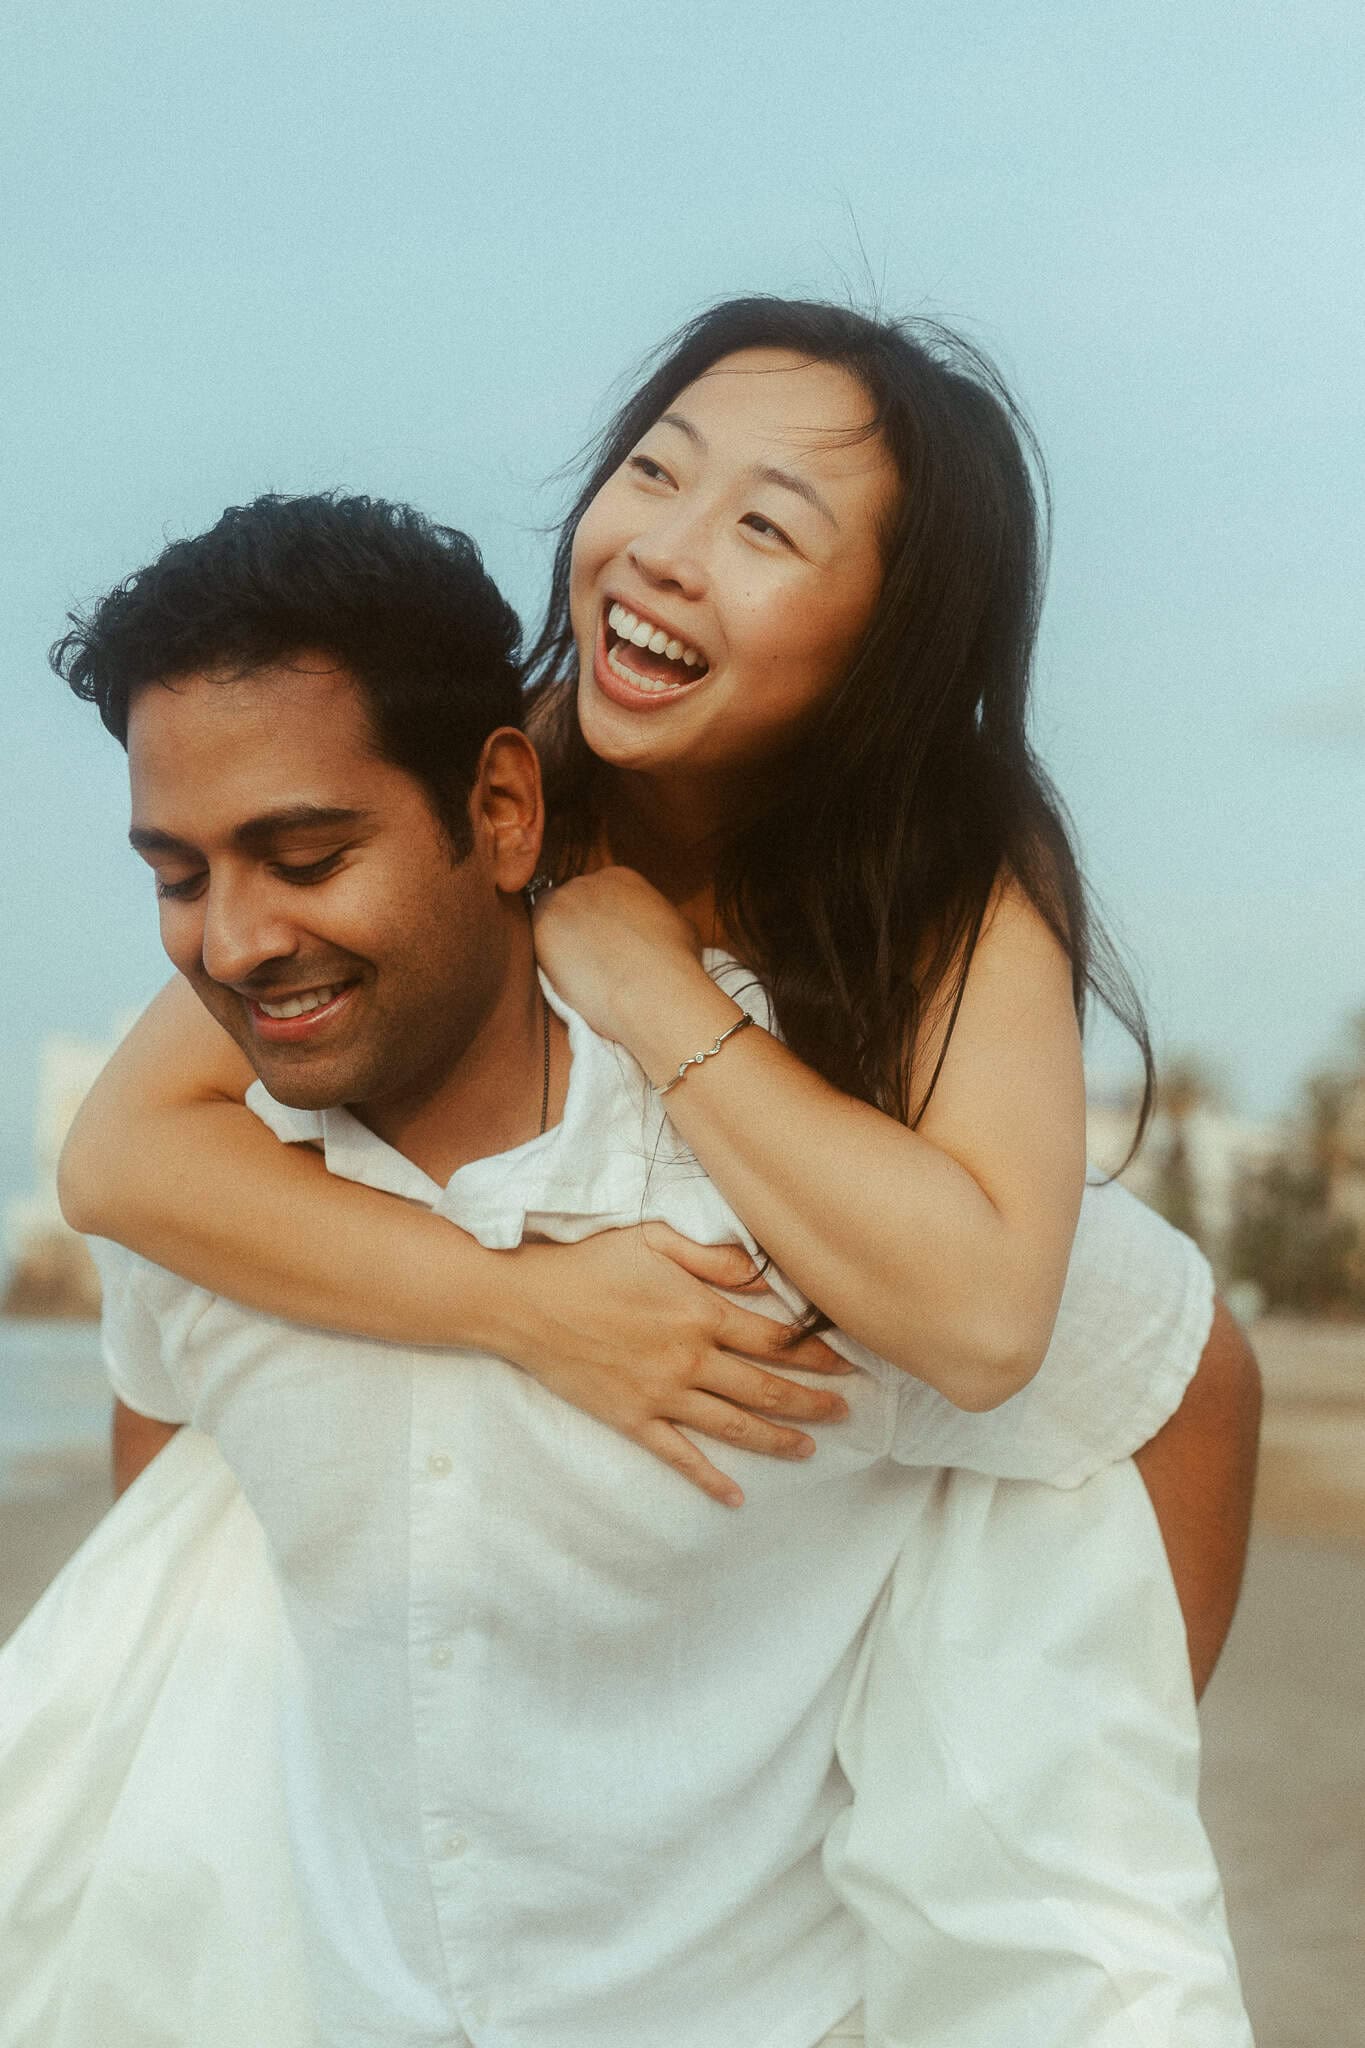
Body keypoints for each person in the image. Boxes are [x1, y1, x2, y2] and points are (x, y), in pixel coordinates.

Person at [62, 301, 1259, 1700]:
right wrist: (524, 1306)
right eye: (655, 471)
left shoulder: (952, 862)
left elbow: (993, 1322)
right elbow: (122, 1156)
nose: (664, 552)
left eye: (766, 530)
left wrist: (649, 986)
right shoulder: (516, 773)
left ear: (894, 627)